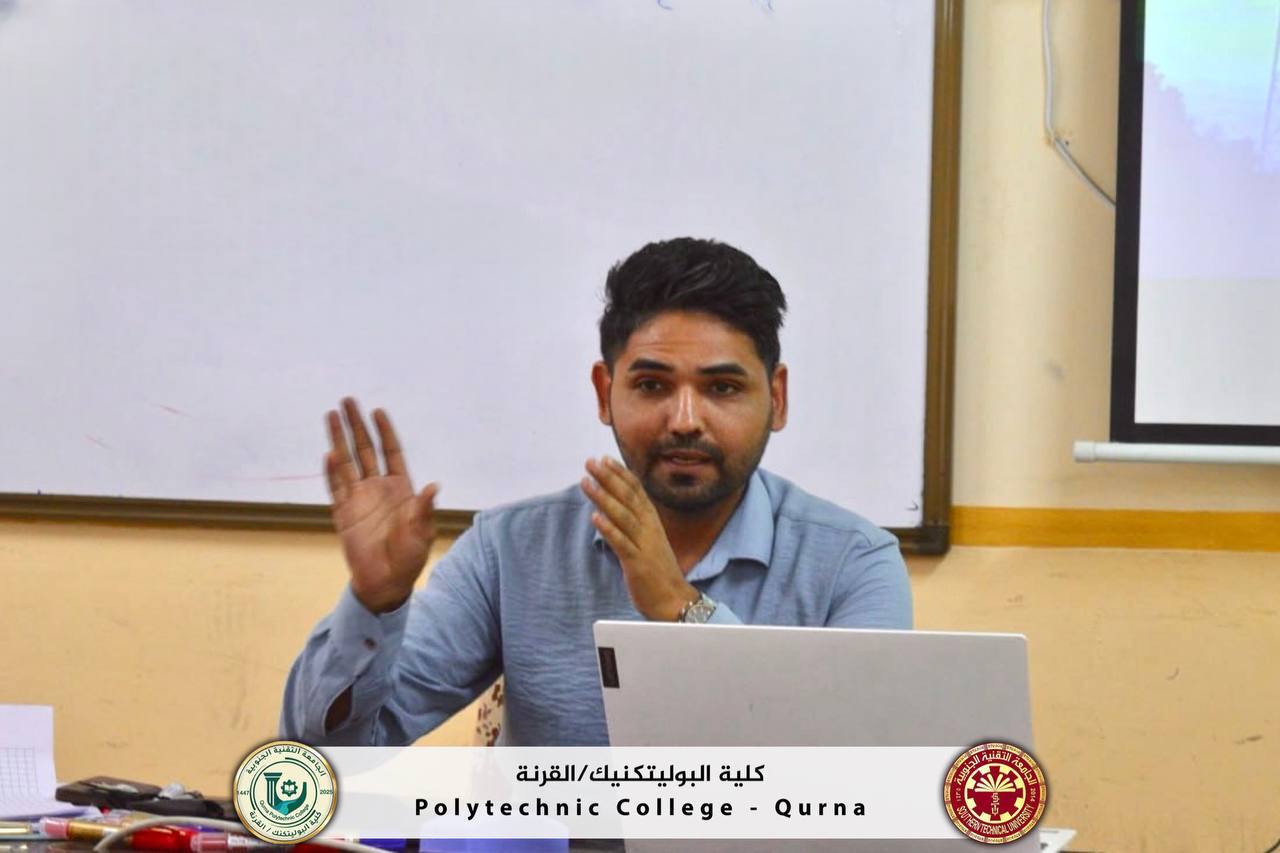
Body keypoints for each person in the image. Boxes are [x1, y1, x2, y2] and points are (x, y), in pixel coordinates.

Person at [280, 237, 912, 747]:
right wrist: (375, 602)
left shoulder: (854, 563)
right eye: (652, 386)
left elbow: (858, 783)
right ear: (604, 392)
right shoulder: (510, 550)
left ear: (776, 398)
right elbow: (325, 754)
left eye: (722, 388)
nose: (685, 420)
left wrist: (680, 609)